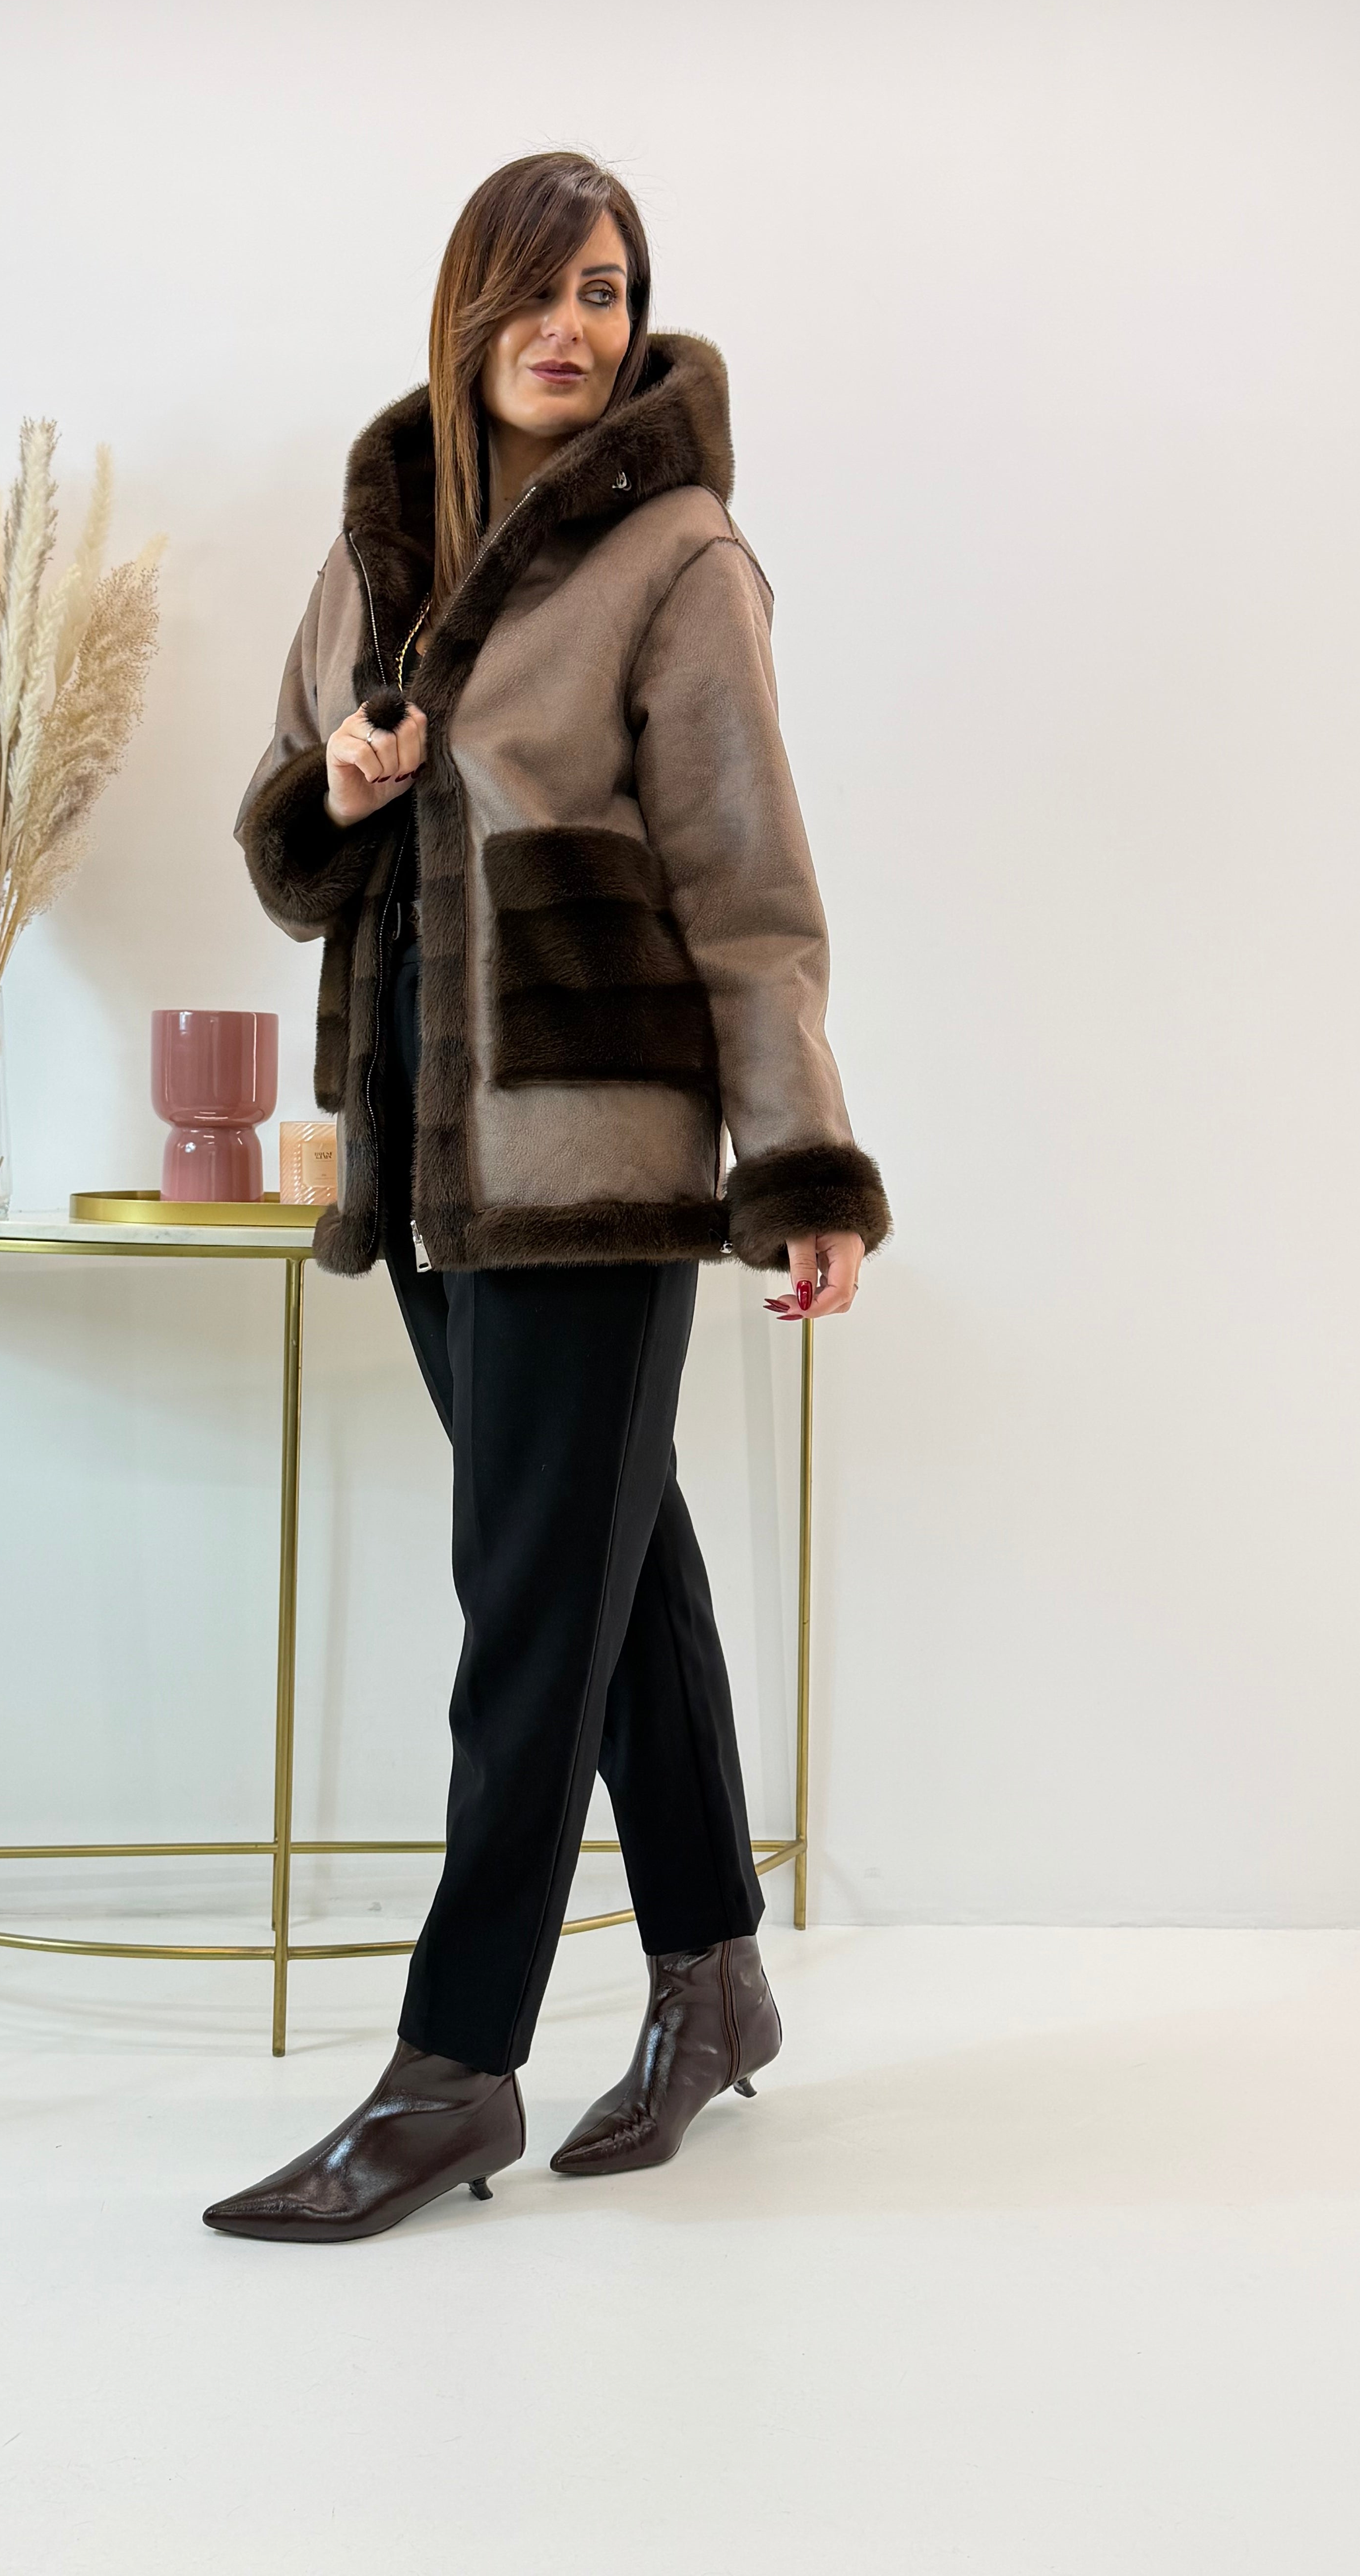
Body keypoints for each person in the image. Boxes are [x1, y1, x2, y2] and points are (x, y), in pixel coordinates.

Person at [215, 151, 889, 2243]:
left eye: (605, 291)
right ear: (468, 309)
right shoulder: (376, 545)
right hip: (428, 1156)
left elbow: (748, 886)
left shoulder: (681, 554)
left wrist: (798, 1164)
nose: (572, 328)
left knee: (524, 1617)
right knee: (613, 1570)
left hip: (594, 1151)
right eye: (538, 290)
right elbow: (283, 827)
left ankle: (452, 2071)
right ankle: (713, 1981)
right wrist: (340, 786)